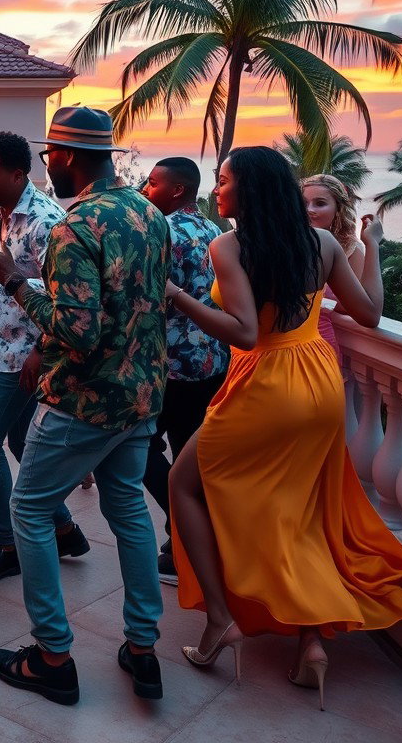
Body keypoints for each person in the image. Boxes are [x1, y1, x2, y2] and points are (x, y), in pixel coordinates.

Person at [168, 146, 402, 710]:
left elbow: (241, 332)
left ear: (250, 191)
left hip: (265, 382)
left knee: (185, 485)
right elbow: (370, 315)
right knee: (302, 507)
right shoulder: (324, 243)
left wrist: (177, 297)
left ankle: (219, 621)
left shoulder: (229, 246)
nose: (217, 188)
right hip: (318, 381)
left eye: (225, 179)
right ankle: (311, 644)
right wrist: (373, 250)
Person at [0, 107, 170, 706]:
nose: (46, 166)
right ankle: (143, 647)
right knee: (131, 515)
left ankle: (52, 656)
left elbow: (77, 332)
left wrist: (13, 281)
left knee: (31, 512)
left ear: (66, 156)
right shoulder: (148, 212)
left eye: (49, 156)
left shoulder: (74, 225)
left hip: (83, 401)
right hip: (139, 396)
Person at [0, 131, 87, 589]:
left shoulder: (47, 222)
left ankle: (8, 544)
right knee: (23, 443)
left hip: (26, 355)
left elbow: (62, 296)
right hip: (4, 345)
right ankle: (63, 529)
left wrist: (41, 351)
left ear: (17, 174)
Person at [140, 157, 227, 584]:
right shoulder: (215, 230)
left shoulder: (164, 231)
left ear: (177, 190)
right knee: (188, 456)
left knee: (137, 447)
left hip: (168, 365)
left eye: (152, 183)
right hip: (211, 360)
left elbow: (150, 300)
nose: (144, 189)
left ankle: (182, 536)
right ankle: (186, 545)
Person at [301, 173, 365, 365]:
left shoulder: (351, 249)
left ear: (338, 209)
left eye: (320, 203)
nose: (309, 210)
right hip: (282, 345)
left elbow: (353, 305)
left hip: (321, 344)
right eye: (304, 203)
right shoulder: (291, 244)